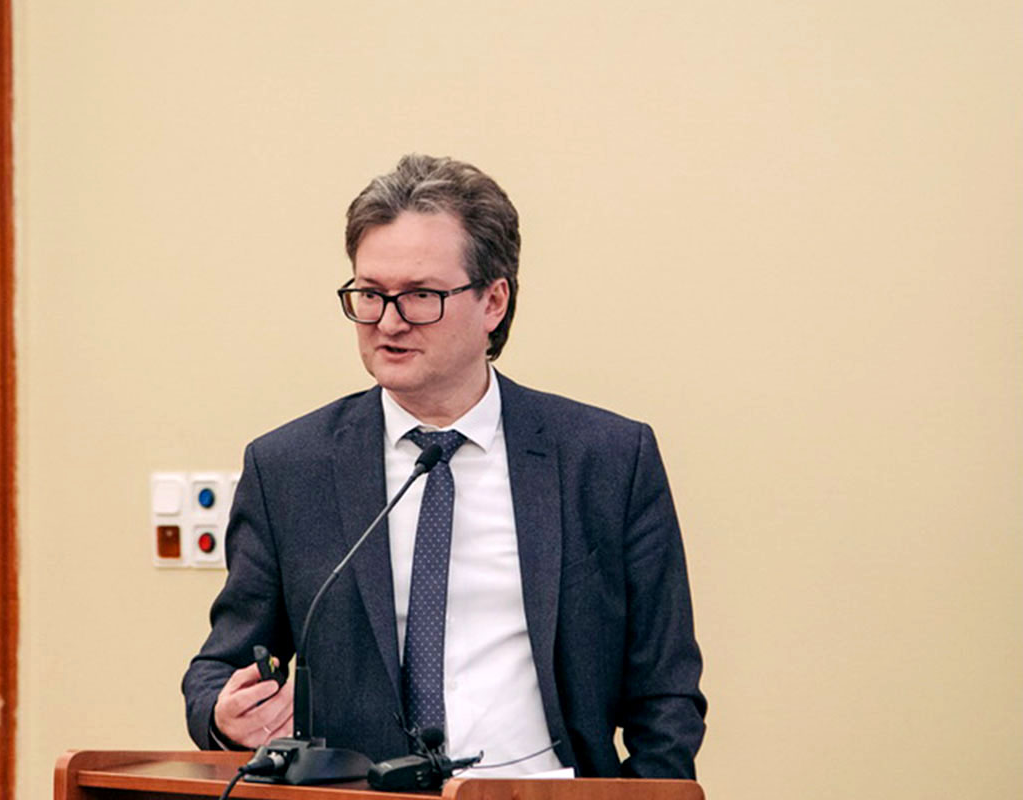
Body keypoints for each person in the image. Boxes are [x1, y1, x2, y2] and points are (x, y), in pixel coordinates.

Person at [182, 154, 706, 778]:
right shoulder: (289, 469)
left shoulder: (607, 460)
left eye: (420, 296)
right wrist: (223, 715)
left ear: (493, 302)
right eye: (370, 295)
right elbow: (220, 667)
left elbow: (665, 691)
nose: (389, 322)